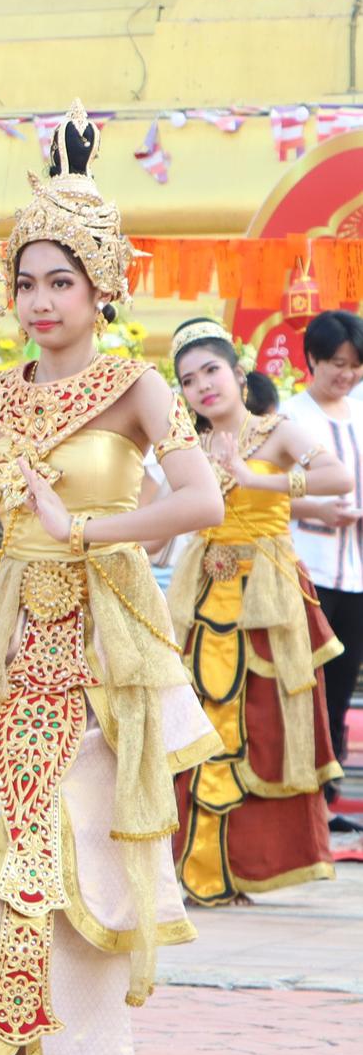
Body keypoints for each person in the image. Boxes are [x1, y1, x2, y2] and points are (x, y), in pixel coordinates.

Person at [0, 103, 224, 1055]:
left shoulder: (137, 386)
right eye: (25, 282)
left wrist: (83, 526)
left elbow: (199, 499)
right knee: (9, 830)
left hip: (103, 636)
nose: (39, 300)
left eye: (60, 281)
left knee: (84, 838)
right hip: (14, 637)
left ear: (101, 289)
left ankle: (78, 1054)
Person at [164, 319, 346, 903]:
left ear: (238, 375)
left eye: (211, 371)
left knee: (260, 728)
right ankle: (200, 872)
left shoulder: (277, 431)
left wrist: (259, 482)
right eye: (189, 381)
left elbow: (337, 477)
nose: (203, 387)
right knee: (201, 722)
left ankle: (246, 868)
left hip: (266, 595)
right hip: (203, 591)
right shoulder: (186, 446)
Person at [282, 309, 363, 831]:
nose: (347, 376)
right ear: (312, 359)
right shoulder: (291, 417)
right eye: (338, 364)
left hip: (355, 573)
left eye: (356, 366)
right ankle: (297, 795)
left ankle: (327, 797)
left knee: (339, 686)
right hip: (305, 568)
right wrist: (316, 510)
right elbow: (262, 492)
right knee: (301, 682)